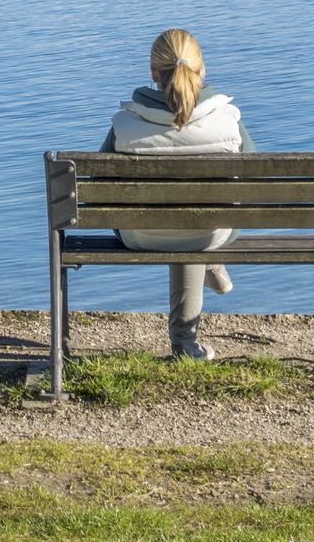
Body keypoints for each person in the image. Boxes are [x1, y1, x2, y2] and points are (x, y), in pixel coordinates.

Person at [102, 28, 255, 361]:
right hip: (212, 230)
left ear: (153, 73)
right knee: (198, 222)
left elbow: (100, 183)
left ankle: (186, 341)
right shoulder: (227, 120)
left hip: (139, 233)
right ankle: (188, 334)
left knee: (178, 218)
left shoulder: (125, 124)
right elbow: (253, 179)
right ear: (202, 70)